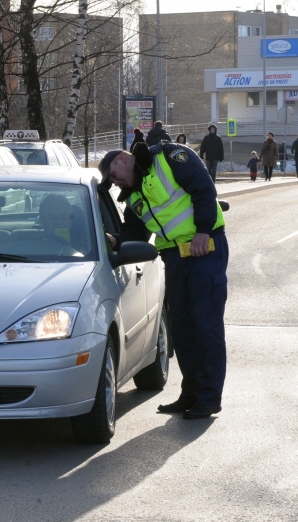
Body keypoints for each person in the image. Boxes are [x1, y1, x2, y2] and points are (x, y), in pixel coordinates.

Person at [98, 140, 228, 420]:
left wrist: (203, 231)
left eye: (113, 174)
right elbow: (135, 232)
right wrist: (115, 239)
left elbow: (203, 187)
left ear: (123, 158)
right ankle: (191, 393)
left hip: (205, 248)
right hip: (176, 256)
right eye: (111, 181)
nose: (116, 182)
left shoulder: (168, 157)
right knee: (182, 328)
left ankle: (208, 398)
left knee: (206, 325)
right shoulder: (133, 197)